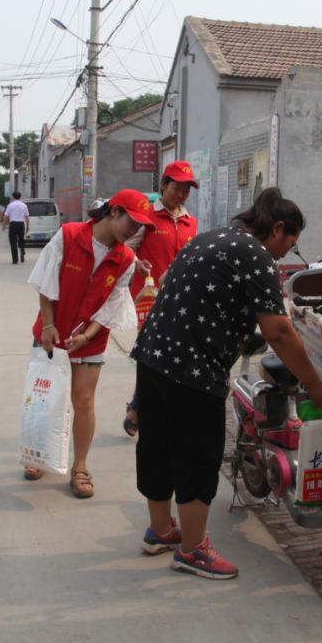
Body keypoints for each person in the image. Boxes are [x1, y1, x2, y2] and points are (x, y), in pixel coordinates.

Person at [131, 187, 322, 580]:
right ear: (276, 229)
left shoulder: (212, 237)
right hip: (192, 369)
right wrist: (317, 384)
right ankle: (192, 550)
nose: (283, 254)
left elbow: (188, 289)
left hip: (153, 354)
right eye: (289, 245)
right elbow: (279, 332)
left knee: (157, 445)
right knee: (196, 456)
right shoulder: (256, 256)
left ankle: (160, 531)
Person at [24, 189, 155, 498]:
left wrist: (88, 335)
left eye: (140, 227)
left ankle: (80, 466)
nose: (134, 231)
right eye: (131, 223)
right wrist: (50, 325)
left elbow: (112, 303)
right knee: (47, 396)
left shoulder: (125, 259)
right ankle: (37, 454)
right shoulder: (69, 236)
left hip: (91, 339)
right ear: (113, 212)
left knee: (84, 401)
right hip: (52, 332)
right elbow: (46, 282)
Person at [121, 160, 200, 436]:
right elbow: (124, 250)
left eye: (186, 191)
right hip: (149, 302)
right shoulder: (147, 219)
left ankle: (139, 409)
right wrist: (137, 263)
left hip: (180, 302)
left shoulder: (191, 223)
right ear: (164, 184)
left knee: (164, 357)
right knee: (151, 357)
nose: (180, 195)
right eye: (176, 188)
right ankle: (139, 409)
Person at [3, 191, 29, 264]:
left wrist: (4, 225)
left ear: (13, 197)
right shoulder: (24, 205)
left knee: (13, 242)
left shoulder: (10, 205)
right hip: (21, 224)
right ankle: (22, 250)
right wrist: (27, 226)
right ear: (20, 197)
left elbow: (6, 216)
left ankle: (15, 260)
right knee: (21, 239)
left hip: (13, 224)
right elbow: (27, 217)